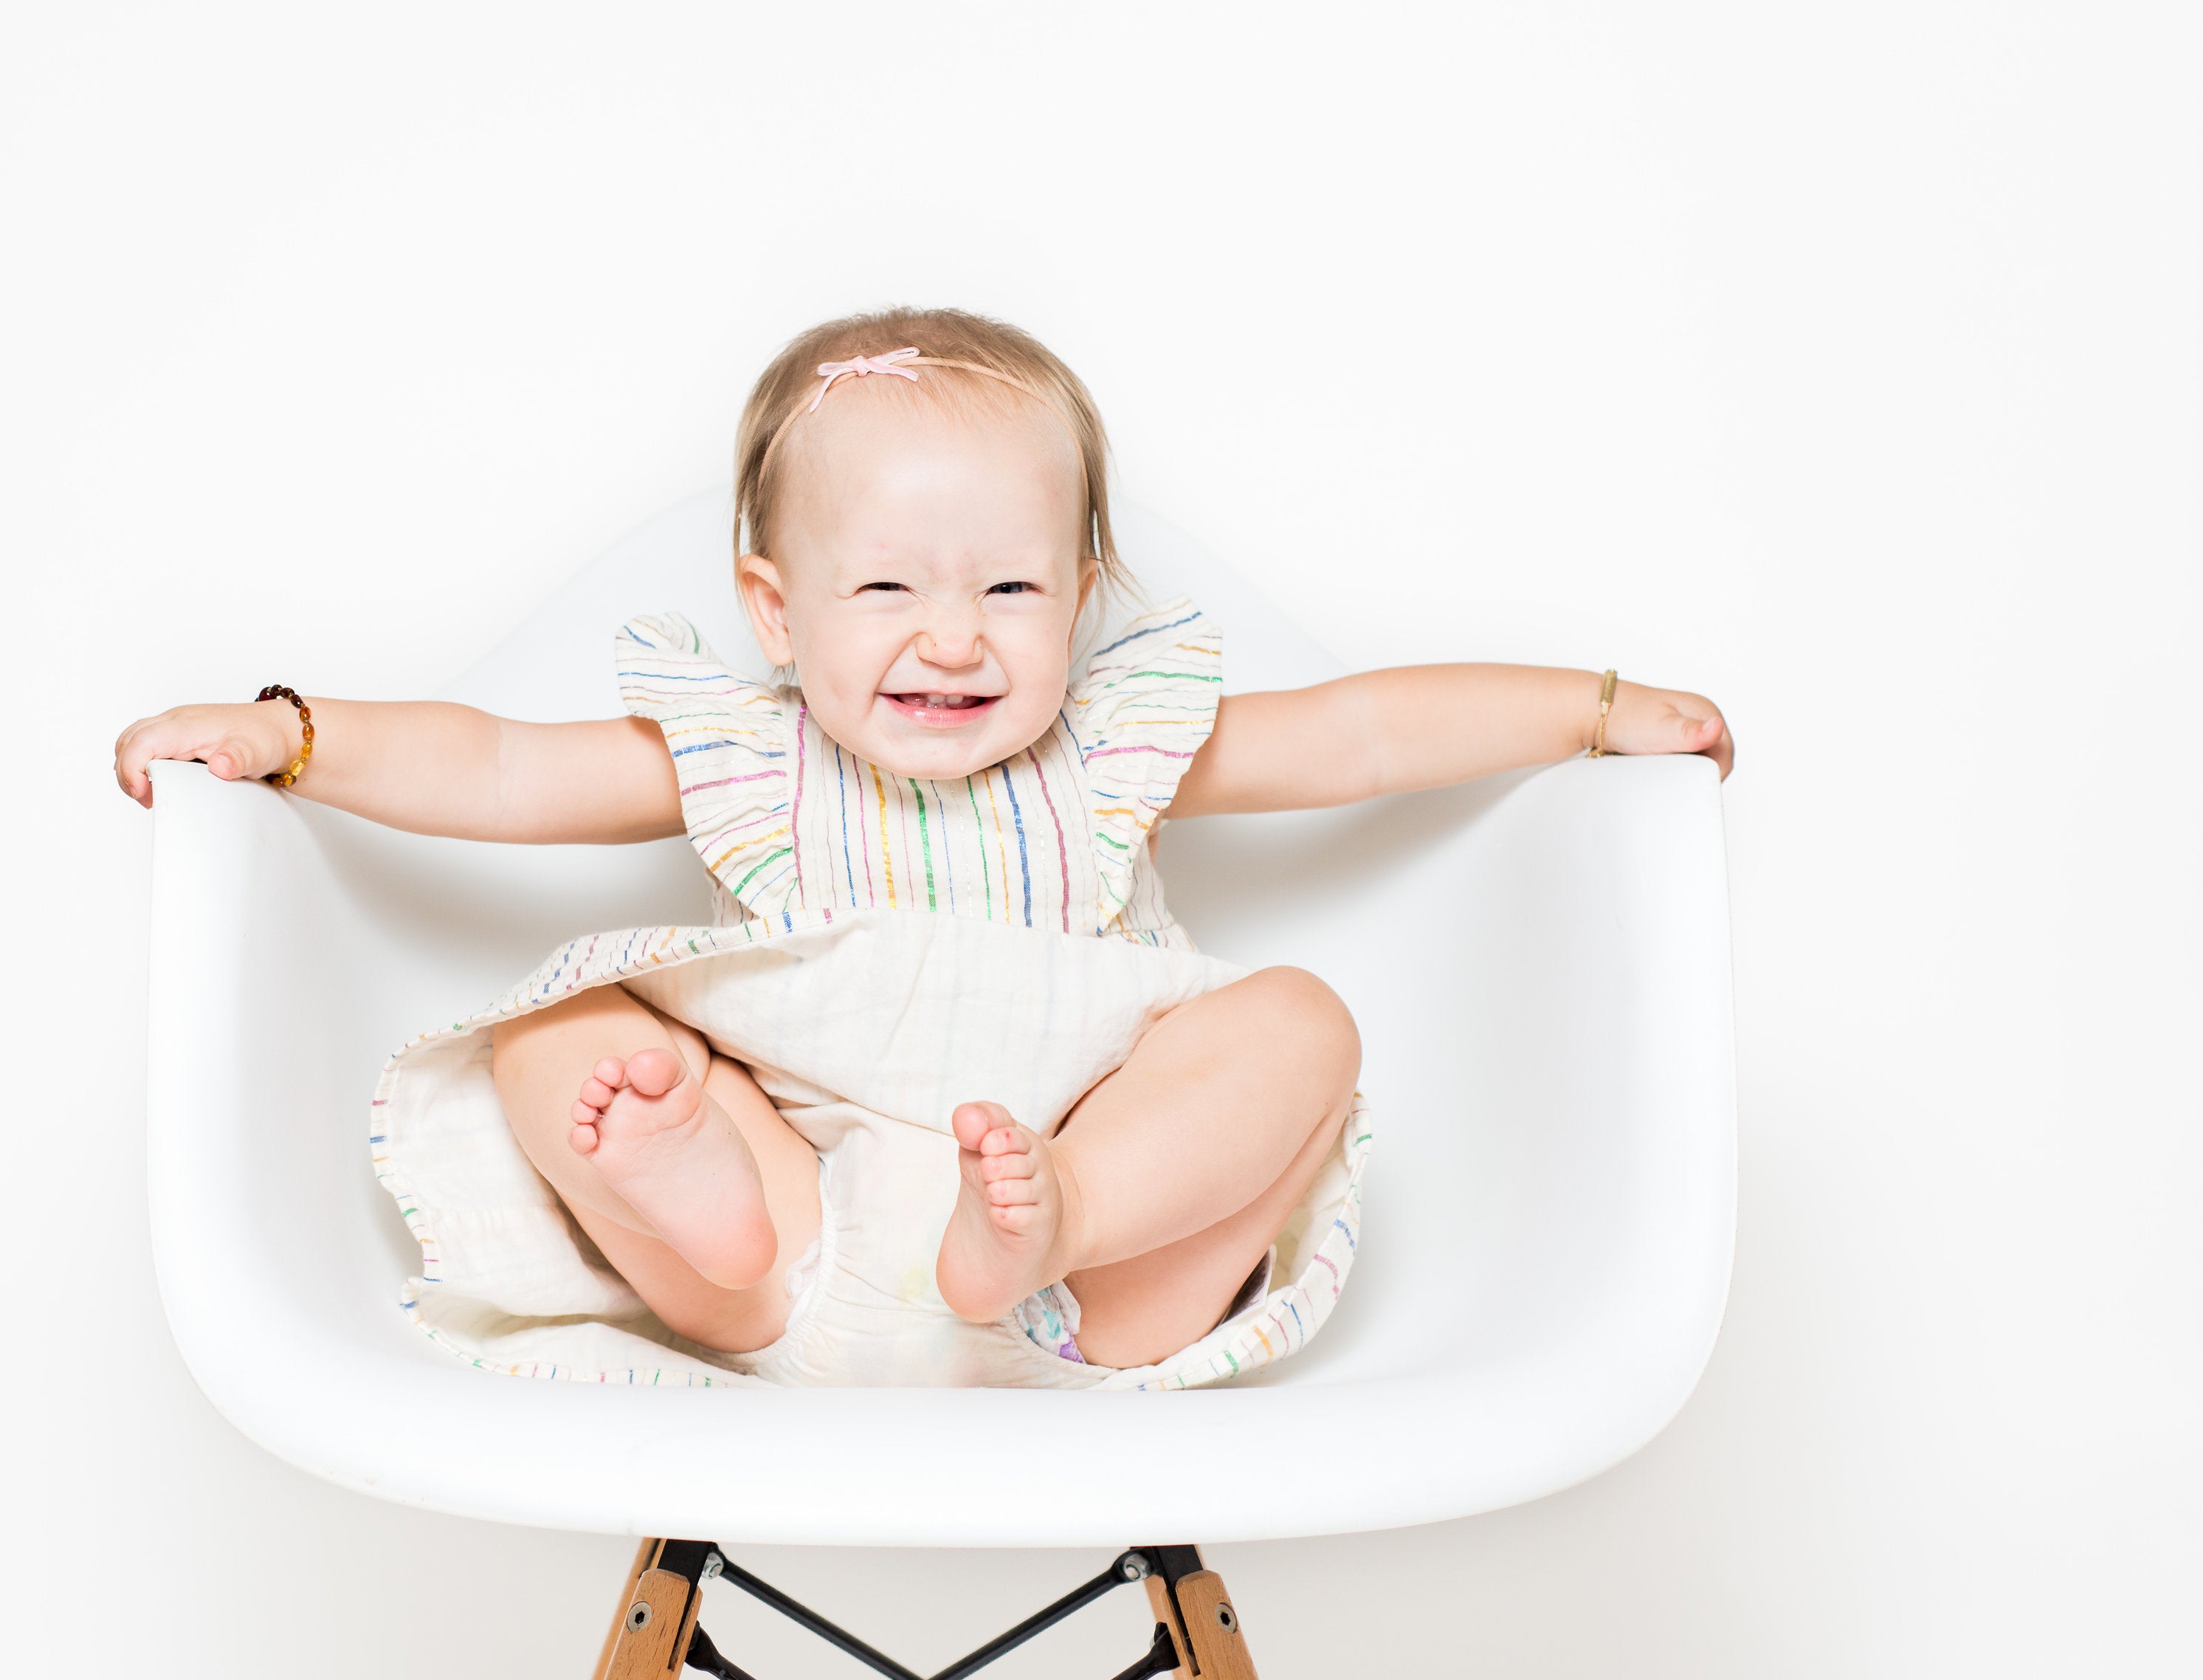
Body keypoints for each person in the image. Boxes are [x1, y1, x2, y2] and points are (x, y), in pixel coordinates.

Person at [114, 306, 1732, 1373]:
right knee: (555, 1030)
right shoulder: (742, 748)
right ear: (776, 607)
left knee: (1299, 1022)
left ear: (1082, 600)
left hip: (1074, 1280)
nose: (953, 640)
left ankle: (1076, 1214)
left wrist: (1592, 707)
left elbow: (1367, 732)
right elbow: (496, 768)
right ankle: (709, 1235)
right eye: (887, 589)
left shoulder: (1115, 749)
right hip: (804, 1230)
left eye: (1011, 590)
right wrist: (289, 733)